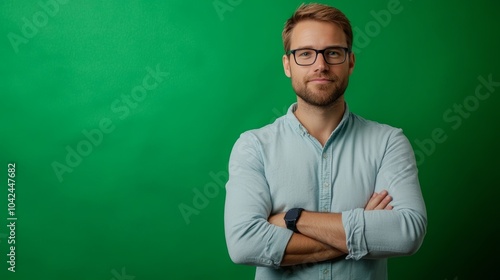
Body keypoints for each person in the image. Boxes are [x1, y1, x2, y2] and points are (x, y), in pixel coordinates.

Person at [224, 3, 427, 279]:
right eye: (305, 53)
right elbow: (244, 245)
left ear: (350, 62)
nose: (321, 65)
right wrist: (364, 230)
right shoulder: (253, 147)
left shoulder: (388, 142)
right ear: (287, 65)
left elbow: (407, 234)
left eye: (333, 53)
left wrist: (294, 219)